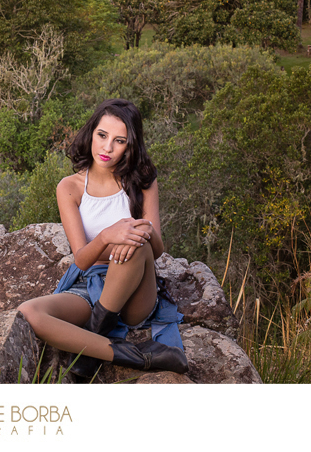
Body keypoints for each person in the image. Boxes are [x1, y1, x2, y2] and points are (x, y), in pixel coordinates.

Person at [18, 98, 187, 378]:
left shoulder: (143, 180)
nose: (107, 148)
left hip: (134, 292)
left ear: (130, 145)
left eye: (119, 141)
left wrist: (141, 231)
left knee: (134, 239)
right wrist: (109, 235)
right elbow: (82, 259)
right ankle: (134, 355)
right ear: (91, 133)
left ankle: (92, 340)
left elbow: (157, 250)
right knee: (30, 313)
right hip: (89, 287)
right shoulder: (70, 187)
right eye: (102, 135)